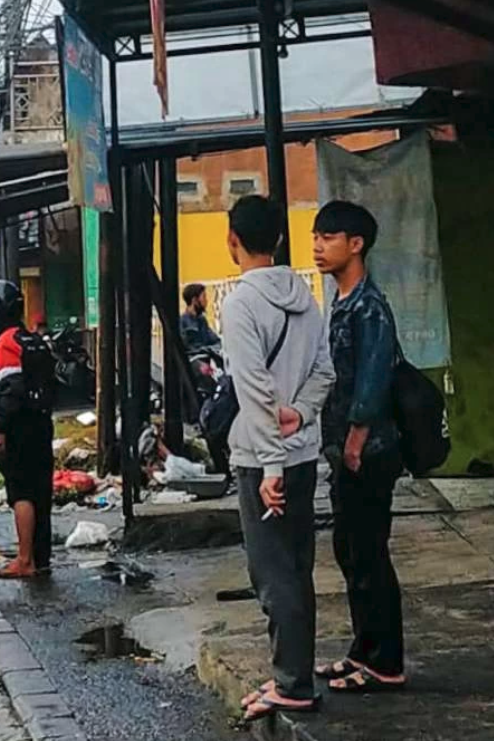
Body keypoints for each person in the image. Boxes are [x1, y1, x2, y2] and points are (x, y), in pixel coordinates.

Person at [221, 195, 336, 723]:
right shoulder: (306, 296)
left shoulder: (241, 304)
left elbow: (252, 390)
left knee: (273, 575)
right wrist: (302, 415)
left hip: (262, 461)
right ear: (281, 241)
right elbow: (324, 373)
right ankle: (293, 672)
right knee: (297, 568)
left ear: (233, 241)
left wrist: (268, 466)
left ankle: (292, 684)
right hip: (302, 453)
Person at [311, 201, 407, 694]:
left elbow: (373, 380)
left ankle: (386, 662)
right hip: (345, 451)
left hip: (367, 452)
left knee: (369, 553)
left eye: (329, 237)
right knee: (351, 551)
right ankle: (363, 651)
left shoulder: (369, 306)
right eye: (315, 237)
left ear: (357, 244)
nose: (318, 246)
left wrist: (353, 441)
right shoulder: (344, 302)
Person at [0, 280, 56, 580]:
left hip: (21, 427)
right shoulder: (30, 338)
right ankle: (41, 557)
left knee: (21, 493)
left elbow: (10, 388)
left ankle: (24, 559)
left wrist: (1, 429)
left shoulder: (5, 342)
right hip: (41, 423)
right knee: (40, 492)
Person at [180, 284, 222, 355]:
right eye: (204, 297)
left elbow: (214, 339)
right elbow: (188, 348)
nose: (206, 301)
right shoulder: (183, 322)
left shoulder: (202, 320)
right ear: (194, 300)